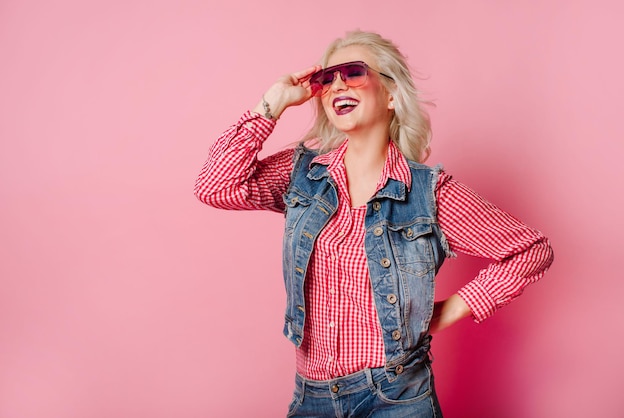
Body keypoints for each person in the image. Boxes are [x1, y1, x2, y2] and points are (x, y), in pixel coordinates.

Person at [194, 30, 553, 417]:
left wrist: (445, 312)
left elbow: (530, 250)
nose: (336, 86)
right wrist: (273, 103)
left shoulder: (428, 193)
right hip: (311, 397)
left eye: (352, 72)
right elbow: (215, 187)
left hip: (396, 396)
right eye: (325, 79)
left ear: (392, 95)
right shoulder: (302, 173)